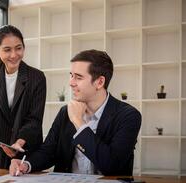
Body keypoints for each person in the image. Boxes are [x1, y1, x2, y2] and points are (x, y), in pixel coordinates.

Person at [9, 49, 141, 176]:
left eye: (78, 77)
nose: (71, 83)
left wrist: (79, 122)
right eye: (71, 75)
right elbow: (48, 152)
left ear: (99, 82)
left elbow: (112, 166)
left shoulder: (128, 116)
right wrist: (25, 164)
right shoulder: (65, 112)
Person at [0, 25, 46, 169]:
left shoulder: (37, 77)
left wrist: (19, 142)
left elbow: (34, 120)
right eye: (7, 50)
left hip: (26, 154)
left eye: (18, 48)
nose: (14, 55)